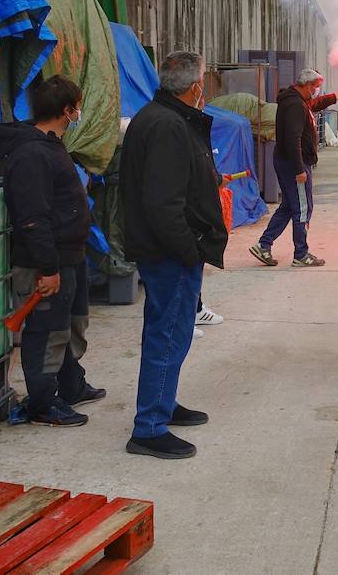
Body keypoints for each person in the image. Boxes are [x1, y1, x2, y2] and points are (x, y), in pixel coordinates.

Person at [121, 51, 227, 459]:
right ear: (196, 86)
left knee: (173, 331)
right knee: (167, 333)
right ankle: (148, 427)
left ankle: (163, 403)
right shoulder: (166, 125)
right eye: (205, 81)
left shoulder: (161, 117)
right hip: (170, 253)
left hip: (166, 250)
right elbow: (163, 204)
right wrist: (189, 250)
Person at [0, 75, 103, 427]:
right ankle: (42, 402)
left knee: (70, 325)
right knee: (47, 331)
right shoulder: (31, 154)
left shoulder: (51, 145)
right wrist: (48, 268)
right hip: (47, 261)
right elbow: (32, 218)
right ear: (67, 111)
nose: (79, 114)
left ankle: (71, 384)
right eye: (77, 108)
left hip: (69, 255)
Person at [249, 68, 338, 268]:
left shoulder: (296, 100)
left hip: (286, 161)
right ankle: (301, 253)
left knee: (289, 206)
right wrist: (299, 169)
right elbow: (292, 138)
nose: (316, 91)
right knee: (303, 208)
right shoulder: (296, 104)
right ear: (306, 85)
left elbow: (314, 104)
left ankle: (263, 245)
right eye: (315, 87)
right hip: (293, 164)